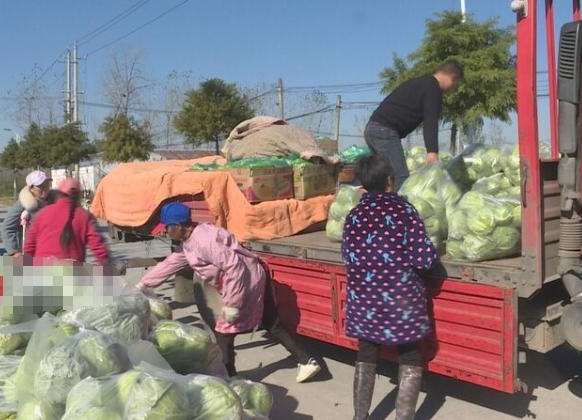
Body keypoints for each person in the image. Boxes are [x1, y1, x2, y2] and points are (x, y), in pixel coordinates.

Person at [137, 203, 322, 382]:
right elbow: (172, 263)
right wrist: (144, 284)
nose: (164, 232)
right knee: (271, 322)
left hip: (246, 280)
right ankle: (307, 361)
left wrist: (232, 304)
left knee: (224, 332)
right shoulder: (190, 241)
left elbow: (235, 268)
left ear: (178, 226)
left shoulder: (204, 241)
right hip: (247, 278)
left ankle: (229, 378)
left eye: (167, 228)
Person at [342, 154, 437, 420]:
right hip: (401, 300)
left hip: (365, 300)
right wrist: (433, 248)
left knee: (366, 353)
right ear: (389, 181)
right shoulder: (404, 211)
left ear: (363, 184)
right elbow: (423, 258)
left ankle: (360, 416)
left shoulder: (354, 215)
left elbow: (348, 257)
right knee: (409, 356)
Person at [365, 59, 464, 191]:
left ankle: (376, 208)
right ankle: (402, 210)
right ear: (454, 78)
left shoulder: (421, 82)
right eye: (456, 85)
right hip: (384, 131)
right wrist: (432, 151)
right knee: (401, 177)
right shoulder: (433, 88)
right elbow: (430, 120)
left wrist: (370, 131)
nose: (453, 89)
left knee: (382, 178)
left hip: (373, 129)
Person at [23, 178, 108, 265]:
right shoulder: (85, 217)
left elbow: (29, 246)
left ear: (58, 194)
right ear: (78, 195)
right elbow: (99, 248)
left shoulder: (42, 214)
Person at [1, 170, 52, 256]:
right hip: (31, 253)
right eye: (41, 186)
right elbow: (7, 228)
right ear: (31, 188)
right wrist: (14, 252)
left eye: (46, 185)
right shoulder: (24, 203)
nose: (45, 188)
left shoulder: (53, 201)